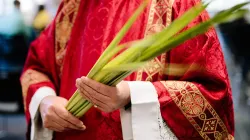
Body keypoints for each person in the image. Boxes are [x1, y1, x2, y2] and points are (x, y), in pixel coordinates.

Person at [20, 0, 234, 139]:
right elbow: (36, 68)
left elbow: (213, 95)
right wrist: (45, 102)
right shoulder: (73, 7)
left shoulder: (176, 4)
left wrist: (132, 95)